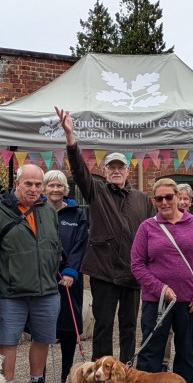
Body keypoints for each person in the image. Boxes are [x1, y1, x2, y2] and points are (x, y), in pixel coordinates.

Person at [56, 107, 154, 364]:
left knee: (129, 327)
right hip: (104, 272)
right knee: (103, 325)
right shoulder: (97, 192)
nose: (116, 170)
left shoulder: (142, 199)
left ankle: (127, 371)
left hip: (132, 272)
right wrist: (70, 137)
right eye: (112, 167)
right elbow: (79, 171)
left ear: (128, 170)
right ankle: (100, 372)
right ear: (106, 170)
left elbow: (153, 234)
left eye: (120, 166)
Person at [0, 164, 63, 383]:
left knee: (43, 337)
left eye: (38, 184)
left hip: (46, 289)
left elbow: (56, 246)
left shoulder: (48, 210)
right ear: (17, 183)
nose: (34, 189)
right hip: (11, 291)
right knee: (8, 341)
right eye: (28, 184)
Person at [130, 178, 193, 383]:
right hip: (156, 301)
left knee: (185, 353)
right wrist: (161, 289)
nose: (164, 202)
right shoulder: (147, 227)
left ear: (178, 197)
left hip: (189, 301)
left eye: (169, 197)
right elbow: (137, 265)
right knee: (151, 351)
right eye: (159, 198)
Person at [44, 169, 89, 383]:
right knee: (42, 328)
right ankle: (38, 379)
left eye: (59, 185)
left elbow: (81, 244)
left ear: (65, 189)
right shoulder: (37, 210)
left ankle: (67, 378)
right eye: (51, 185)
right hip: (43, 278)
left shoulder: (77, 214)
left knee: (69, 328)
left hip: (69, 279)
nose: (55, 189)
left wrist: (71, 270)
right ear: (44, 188)